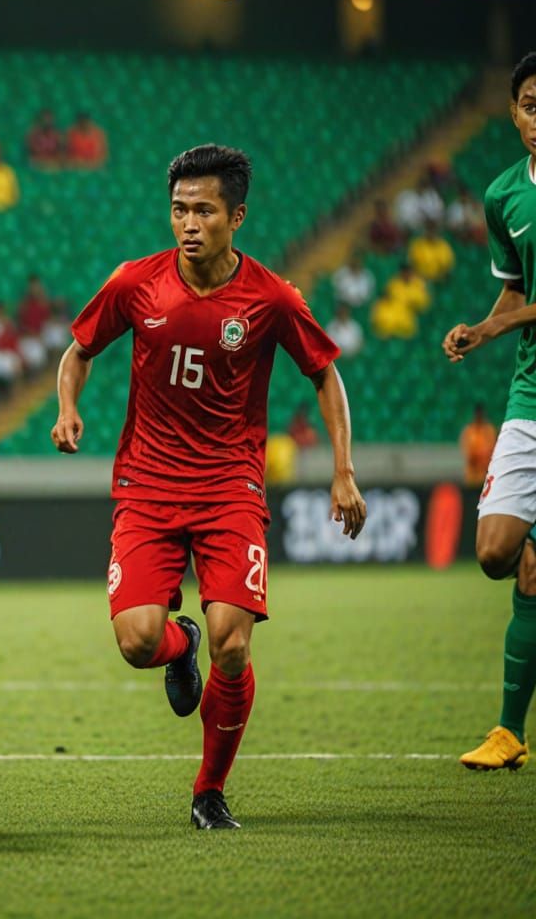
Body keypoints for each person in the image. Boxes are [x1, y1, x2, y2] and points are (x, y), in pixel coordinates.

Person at [51, 144, 366, 829]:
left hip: (230, 488)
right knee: (138, 641)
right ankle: (177, 642)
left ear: (237, 216)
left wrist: (343, 469)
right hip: (147, 486)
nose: (187, 223)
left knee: (234, 642)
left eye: (203, 210)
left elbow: (324, 373)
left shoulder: (272, 297)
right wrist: (67, 406)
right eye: (178, 210)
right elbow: (77, 353)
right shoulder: (136, 283)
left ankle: (209, 790)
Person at [442, 51, 536, 771]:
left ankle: (508, 733)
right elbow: (515, 292)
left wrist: (500, 327)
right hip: (530, 395)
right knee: (497, 553)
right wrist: (481, 325)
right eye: (531, 104)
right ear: (513, 113)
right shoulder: (504, 194)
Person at [460, 404, 498, 488]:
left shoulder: (489, 430)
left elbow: (492, 451)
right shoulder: (469, 431)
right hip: (472, 479)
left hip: (487, 478)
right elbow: (469, 455)